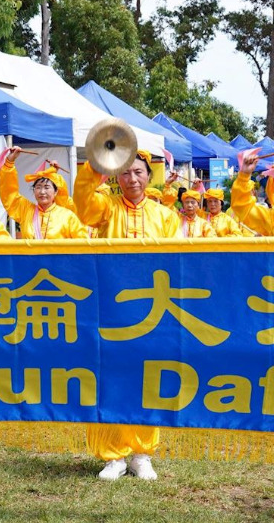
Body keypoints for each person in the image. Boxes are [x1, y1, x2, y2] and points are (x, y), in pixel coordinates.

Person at [73, 148, 179, 481]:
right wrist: (93, 169)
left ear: (149, 176)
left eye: (138, 172)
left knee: (147, 376)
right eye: (125, 173)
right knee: (111, 376)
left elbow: (177, 261)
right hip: (111, 307)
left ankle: (142, 453)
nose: (132, 179)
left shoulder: (166, 217)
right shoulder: (106, 208)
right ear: (116, 177)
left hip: (153, 308)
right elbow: (83, 205)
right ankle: (113, 455)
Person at [0, 147, 87, 239]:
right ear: (34, 190)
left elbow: (83, 246)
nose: (42, 192)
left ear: (56, 191)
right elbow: (9, 193)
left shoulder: (68, 216)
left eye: (47, 187)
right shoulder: (25, 210)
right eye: (38, 187)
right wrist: (9, 162)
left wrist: (54, 175)